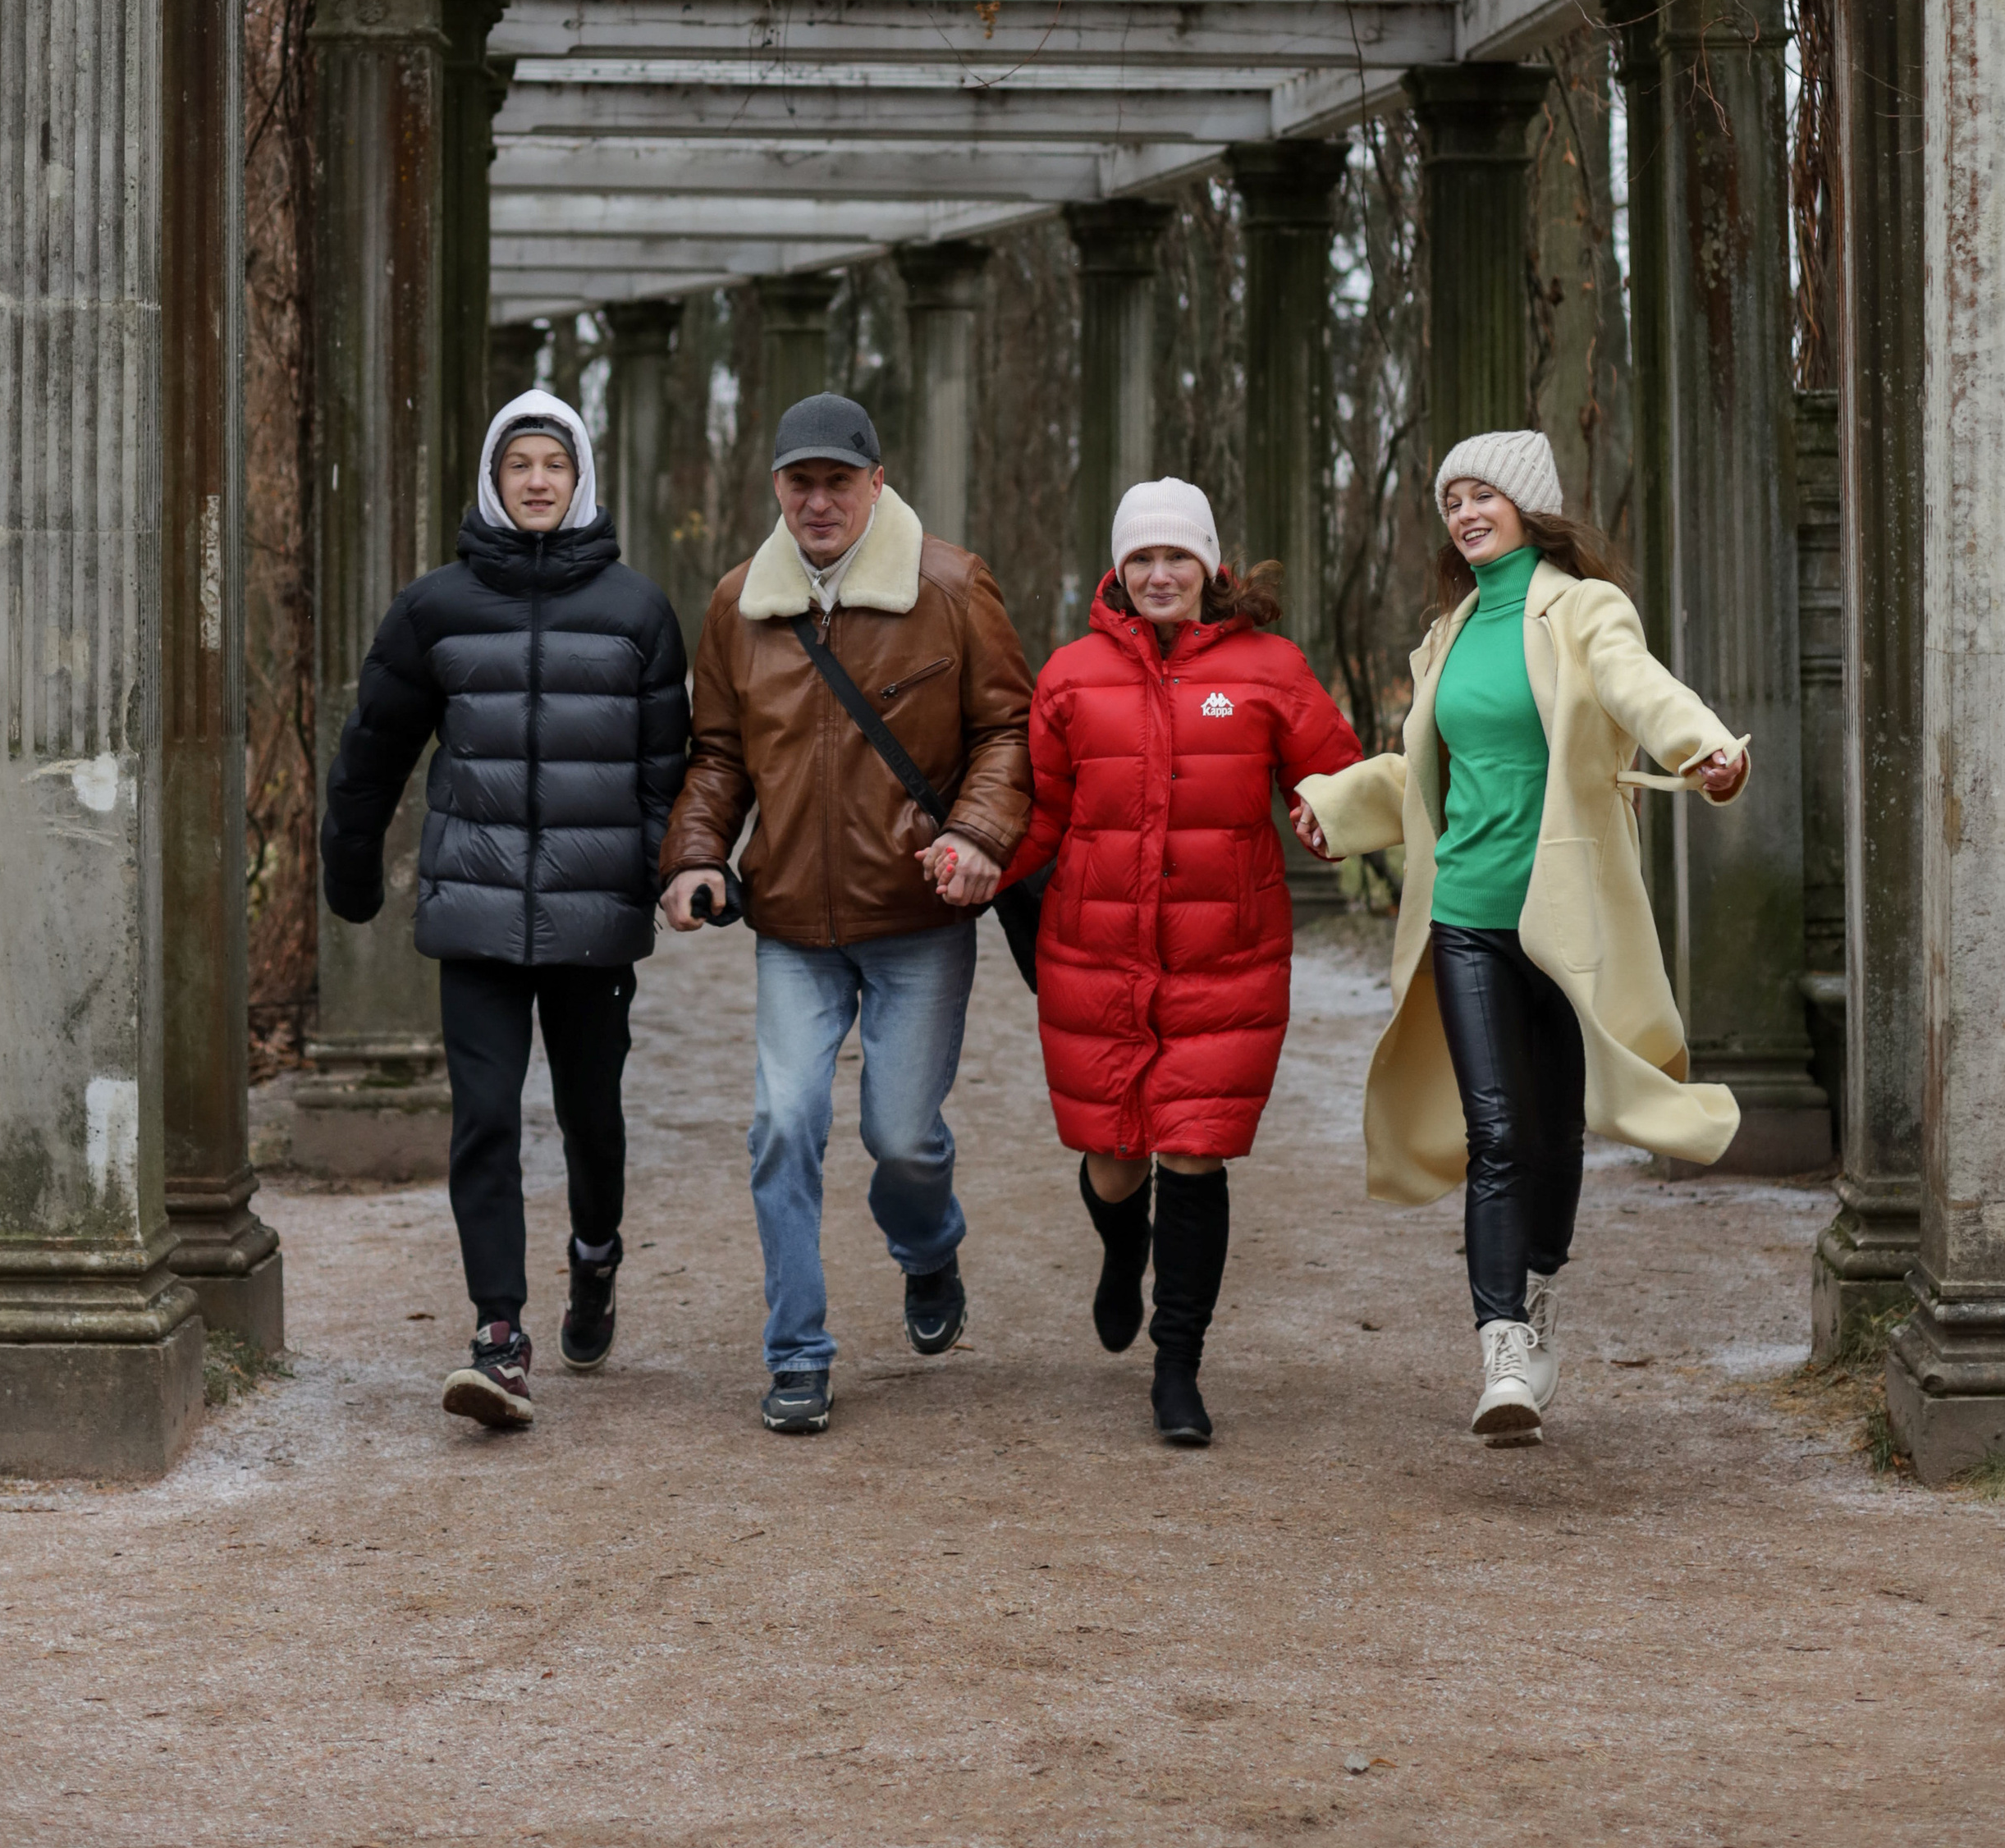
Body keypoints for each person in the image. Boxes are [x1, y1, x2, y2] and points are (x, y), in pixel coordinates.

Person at [1292, 428, 1749, 1448]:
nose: (1462, 513)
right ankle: (1500, 1344)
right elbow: (1423, 771)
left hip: (1562, 919)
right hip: (1464, 918)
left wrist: (1702, 745)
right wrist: (1336, 803)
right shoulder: (1450, 631)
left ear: (1526, 504)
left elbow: (1638, 688)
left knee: (1552, 1132)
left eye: (1481, 493)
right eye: (1450, 499)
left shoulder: (1583, 609)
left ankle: (1538, 1295)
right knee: (1496, 1131)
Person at [659, 392, 1032, 1435]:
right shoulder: (740, 602)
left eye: (837, 480)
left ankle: (927, 1249)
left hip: (917, 914)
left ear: (877, 483)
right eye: (799, 482)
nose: (817, 501)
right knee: (783, 1126)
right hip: (791, 927)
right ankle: (797, 1355)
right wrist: (694, 857)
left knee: (901, 1138)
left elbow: (1008, 729)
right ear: (774, 488)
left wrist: (979, 837)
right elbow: (720, 754)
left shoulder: (952, 586)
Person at [319, 389, 689, 1434]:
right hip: (475, 913)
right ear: (493, 477)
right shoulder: (435, 608)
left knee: (590, 1119)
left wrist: (676, 868)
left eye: (554, 465)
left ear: (580, 482)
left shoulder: (636, 611)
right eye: (519, 462)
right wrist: (349, 868)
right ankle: (498, 1335)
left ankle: (595, 1256)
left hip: (592, 917)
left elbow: (669, 772)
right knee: (484, 1121)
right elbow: (372, 753)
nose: (536, 479)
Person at [999, 478, 1362, 1448]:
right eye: (1142, 559)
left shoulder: (1269, 668)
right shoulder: (1071, 675)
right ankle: (1123, 1253)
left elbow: (1335, 777)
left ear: (1210, 566)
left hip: (1225, 954)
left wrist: (1332, 819)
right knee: (1117, 1163)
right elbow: (1040, 811)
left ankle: (1178, 1366)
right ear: (1119, 570)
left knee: (1193, 1153)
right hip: (1097, 952)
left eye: (1177, 557)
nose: (1160, 574)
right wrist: (973, 861)